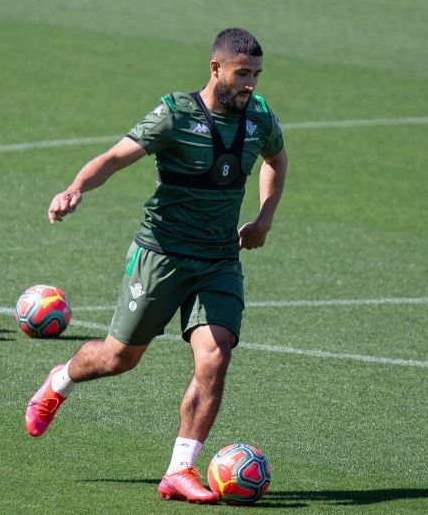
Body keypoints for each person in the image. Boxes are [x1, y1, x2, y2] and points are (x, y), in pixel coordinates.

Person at [25, 27, 287, 504]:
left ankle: (179, 469)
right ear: (216, 68)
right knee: (118, 358)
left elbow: (277, 160)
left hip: (219, 259)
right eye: (242, 73)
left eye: (256, 74)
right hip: (161, 256)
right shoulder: (175, 114)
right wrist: (76, 188)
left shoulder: (260, 117)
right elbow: (114, 157)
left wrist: (264, 218)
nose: (251, 84)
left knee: (216, 355)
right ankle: (58, 381)